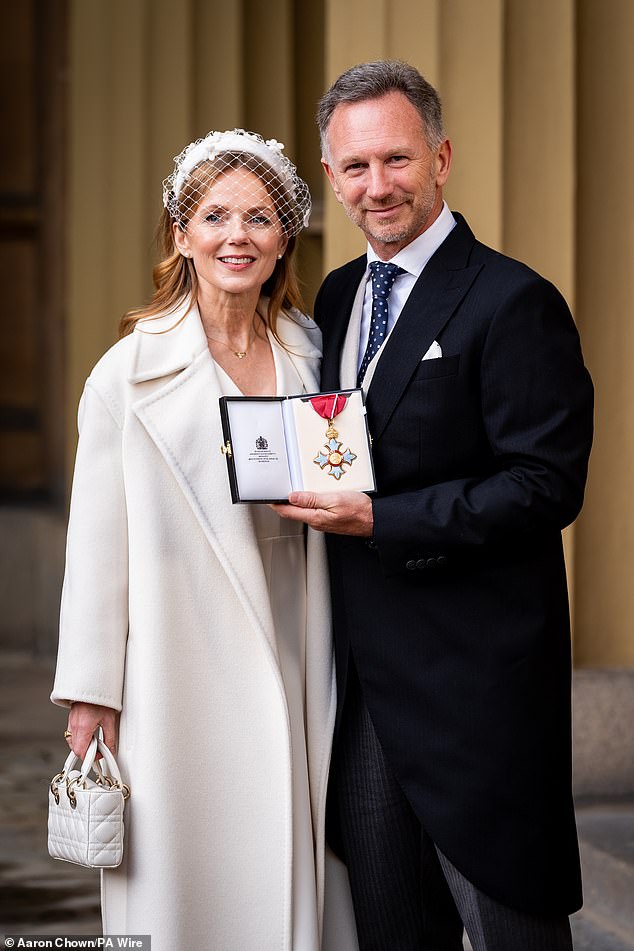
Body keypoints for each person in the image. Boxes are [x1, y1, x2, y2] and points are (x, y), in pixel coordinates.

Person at [273, 61, 594, 951]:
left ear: (442, 157)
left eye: (397, 159)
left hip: (476, 687)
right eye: (355, 167)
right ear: (330, 177)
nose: (378, 186)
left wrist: (385, 519)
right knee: (389, 923)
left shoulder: (513, 300)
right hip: (366, 683)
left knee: (509, 928)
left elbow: (545, 484)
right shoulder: (334, 296)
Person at [52, 129, 358, 951]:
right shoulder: (128, 372)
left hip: (294, 650)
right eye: (214, 215)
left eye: (259, 217)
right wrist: (91, 691)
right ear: (181, 235)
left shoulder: (311, 355)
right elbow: (94, 545)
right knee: (186, 890)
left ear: (285, 235)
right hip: (172, 670)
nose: (237, 236)